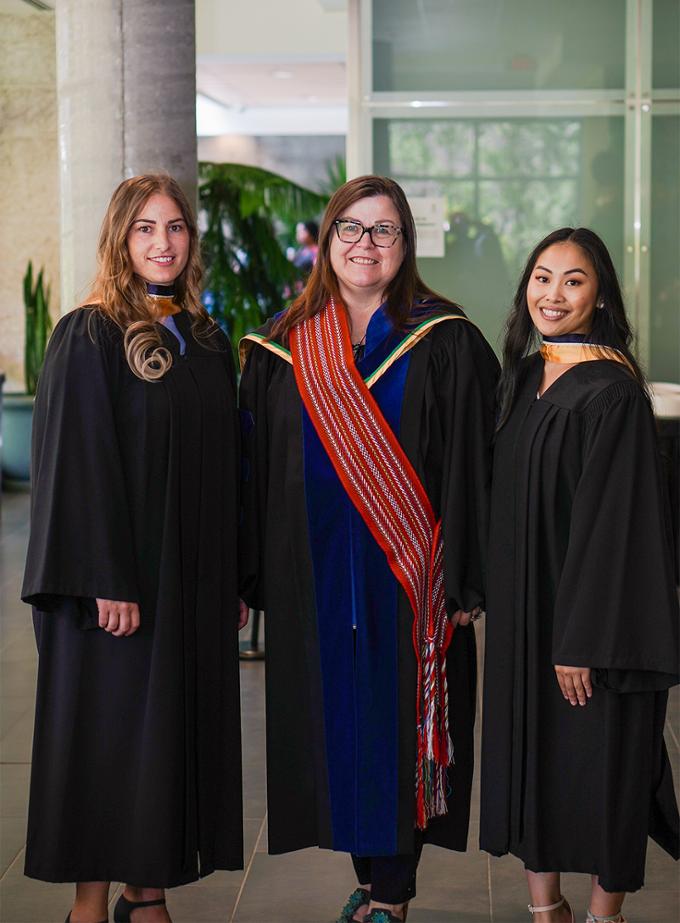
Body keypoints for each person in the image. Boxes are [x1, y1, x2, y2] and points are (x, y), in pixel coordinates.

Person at [239, 175, 499, 922]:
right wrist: (252, 571)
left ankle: (391, 890)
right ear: (327, 241)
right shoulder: (283, 343)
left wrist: (465, 580)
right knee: (340, 728)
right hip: (314, 579)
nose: (365, 245)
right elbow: (252, 470)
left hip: (409, 580)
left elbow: (474, 466)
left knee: (400, 722)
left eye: (384, 230)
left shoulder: (443, 340)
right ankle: (375, 875)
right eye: (350, 228)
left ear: (405, 244)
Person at [22, 174, 247, 923]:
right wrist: (103, 578)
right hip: (116, 588)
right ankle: (91, 907)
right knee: (108, 736)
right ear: (121, 238)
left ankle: (144, 894)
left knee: (163, 741)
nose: (163, 242)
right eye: (146, 228)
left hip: (187, 579)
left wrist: (232, 576)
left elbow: (224, 466)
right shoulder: (89, 333)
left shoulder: (205, 339)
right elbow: (76, 465)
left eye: (176, 227)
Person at [480, 227, 679, 923]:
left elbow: (618, 530)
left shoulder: (612, 391)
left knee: (605, 767)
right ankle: (546, 909)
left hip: (586, 628)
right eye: (542, 276)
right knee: (536, 763)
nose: (553, 294)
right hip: (525, 619)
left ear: (600, 296)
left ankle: (604, 914)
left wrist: (580, 639)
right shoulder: (524, 377)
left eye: (573, 280)